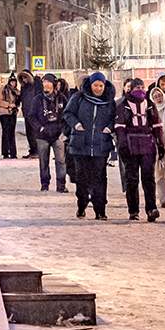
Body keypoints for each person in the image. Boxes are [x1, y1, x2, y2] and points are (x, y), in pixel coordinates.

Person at [63, 72, 116, 221]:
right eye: (95, 85)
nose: (98, 89)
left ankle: (100, 210)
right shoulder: (79, 98)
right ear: (90, 85)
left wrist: (109, 127)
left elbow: (115, 118)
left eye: (101, 85)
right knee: (82, 178)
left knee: (99, 178)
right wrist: (76, 124)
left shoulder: (109, 101)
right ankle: (82, 204)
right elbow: (67, 113)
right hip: (80, 145)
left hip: (101, 145)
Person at [115, 78, 164, 222]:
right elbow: (119, 127)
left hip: (147, 144)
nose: (140, 90)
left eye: (142, 87)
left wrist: (160, 143)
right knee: (132, 179)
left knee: (148, 178)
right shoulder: (124, 105)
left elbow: (156, 125)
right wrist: (122, 145)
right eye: (137, 87)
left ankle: (151, 208)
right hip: (130, 146)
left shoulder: (149, 104)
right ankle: (133, 210)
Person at [31, 74, 68, 192]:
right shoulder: (37, 99)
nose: (46, 84)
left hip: (58, 134)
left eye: (48, 82)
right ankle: (44, 184)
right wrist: (40, 128)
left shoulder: (62, 98)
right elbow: (31, 116)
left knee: (61, 160)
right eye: (44, 82)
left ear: (54, 84)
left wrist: (63, 130)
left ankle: (61, 185)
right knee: (43, 161)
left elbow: (68, 115)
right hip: (42, 135)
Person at [18, 70, 42, 158]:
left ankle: (37, 151)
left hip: (35, 113)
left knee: (35, 132)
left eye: (25, 77)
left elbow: (40, 96)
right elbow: (22, 98)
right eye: (22, 78)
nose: (24, 80)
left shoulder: (36, 83)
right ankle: (32, 150)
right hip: (26, 113)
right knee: (29, 133)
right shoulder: (24, 87)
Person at [0, 75, 20, 159]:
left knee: (12, 132)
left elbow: (18, 102)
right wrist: (8, 105)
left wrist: (15, 106)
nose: (13, 84)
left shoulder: (17, 91)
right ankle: (5, 152)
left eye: (14, 82)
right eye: (12, 82)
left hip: (13, 113)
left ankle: (13, 152)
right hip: (4, 113)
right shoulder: (4, 89)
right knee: (6, 131)